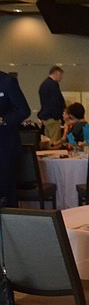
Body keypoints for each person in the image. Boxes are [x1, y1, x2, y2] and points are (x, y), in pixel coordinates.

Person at [0, 71, 31, 207]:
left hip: (4, 147)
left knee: (6, 194)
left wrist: (3, 120)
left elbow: (24, 110)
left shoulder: (7, 81)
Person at [37, 65, 65, 145]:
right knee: (54, 142)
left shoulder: (44, 85)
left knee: (48, 141)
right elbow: (55, 102)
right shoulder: (53, 85)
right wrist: (59, 117)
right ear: (56, 73)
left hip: (46, 118)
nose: (61, 78)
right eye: (61, 75)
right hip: (53, 119)